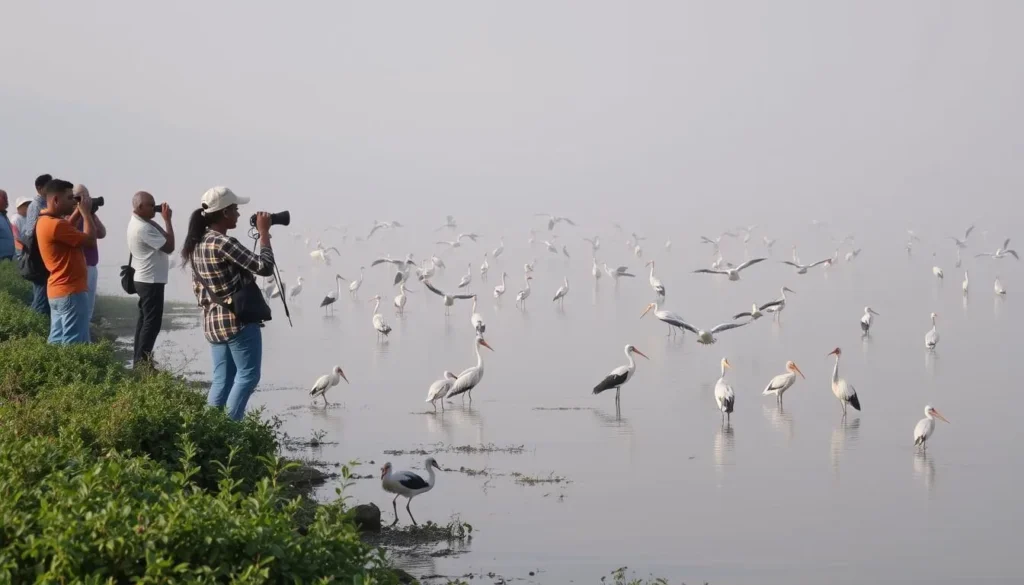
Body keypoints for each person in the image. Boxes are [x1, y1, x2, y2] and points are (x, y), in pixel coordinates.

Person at [181, 186, 274, 421]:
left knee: (222, 380)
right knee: (247, 377)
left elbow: (198, 288)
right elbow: (264, 267)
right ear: (224, 213)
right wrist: (264, 234)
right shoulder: (223, 243)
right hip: (236, 322)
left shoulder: (196, 244)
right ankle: (230, 431)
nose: (239, 214)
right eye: (235, 209)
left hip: (213, 323)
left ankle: (211, 431)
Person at [35, 179, 97, 344]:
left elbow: (65, 229)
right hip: (71, 292)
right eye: (70, 198)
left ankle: (51, 369)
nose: (73, 202)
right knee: (73, 342)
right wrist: (85, 213)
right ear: (56, 200)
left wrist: (76, 212)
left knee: (56, 340)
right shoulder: (56, 225)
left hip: (57, 291)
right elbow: (90, 240)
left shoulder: (44, 221)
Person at [127, 191, 174, 368]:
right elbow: (170, 247)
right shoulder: (143, 228)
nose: (154, 207)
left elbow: (161, 238)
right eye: (150, 205)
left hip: (145, 278)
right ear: (139, 207)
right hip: (151, 280)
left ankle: (139, 359)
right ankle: (143, 362)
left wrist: (155, 217)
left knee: (144, 321)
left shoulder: (139, 222)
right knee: (152, 323)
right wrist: (167, 220)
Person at [68, 184, 106, 323]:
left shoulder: (88, 215)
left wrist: (91, 214)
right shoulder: (69, 215)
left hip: (91, 264)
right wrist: (80, 213)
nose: (86, 200)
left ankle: (86, 331)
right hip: (78, 266)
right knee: (79, 306)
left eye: (87, 197)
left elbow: (102, 233)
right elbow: (85, 238)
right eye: (82, 197)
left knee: (89, 305)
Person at [21, 174, 54, 315]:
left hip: (42, 257)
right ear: (40, 188)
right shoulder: (36, 206)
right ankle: (33, 327)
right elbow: (31, 234)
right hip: (38, 258)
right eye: (49, 186)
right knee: (40, 298)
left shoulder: (45, 204)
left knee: (43, 296)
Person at [0, 189, 13, 261]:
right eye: (4, 198)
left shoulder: (4, 216)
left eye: (6, 198)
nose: (7, 201)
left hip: (9, 258)